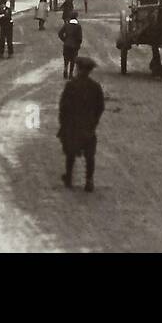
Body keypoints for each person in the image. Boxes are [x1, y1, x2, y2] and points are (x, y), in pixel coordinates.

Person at [58, 56, 105, 192]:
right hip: (88, 126)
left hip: (73, 126)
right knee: (89, 155)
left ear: (78, 69)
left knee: (70, 152)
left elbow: (63, 106)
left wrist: (63, 123)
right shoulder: (95, 87)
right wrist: (94, 121)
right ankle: (89, 181)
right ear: (90, 71)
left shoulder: (71, 85)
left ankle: (68, 177)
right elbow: (100, 107)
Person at [58, 12, 83, 79]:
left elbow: (60, 33)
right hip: (74, 45)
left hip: (66, 44)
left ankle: (65, 69)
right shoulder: (78, 26)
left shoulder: (66, 25)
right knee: (73, 60)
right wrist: (78, 45)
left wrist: (64, 40)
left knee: (66, 58)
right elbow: (80, 38)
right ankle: (70, 74)